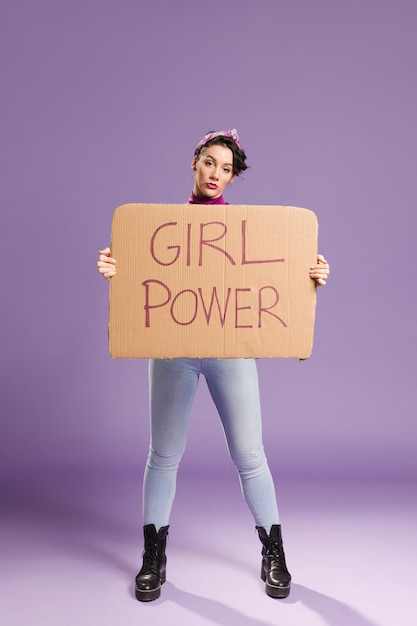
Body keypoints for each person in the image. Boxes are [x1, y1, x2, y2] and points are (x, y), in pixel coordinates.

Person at [97, 129, 330, 603]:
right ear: (194, 162)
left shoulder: (250, 232)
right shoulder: (157, 230)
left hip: (230, 347)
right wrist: (116, 270)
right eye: (209, 162)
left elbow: (276, 285)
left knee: (250, 455)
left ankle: (274, 552)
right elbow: (140, 282)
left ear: (233, 177)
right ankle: (153, 555)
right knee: (163, 454)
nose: (215, 174)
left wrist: (309, 277)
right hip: (172, 348)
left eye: (226, 168)